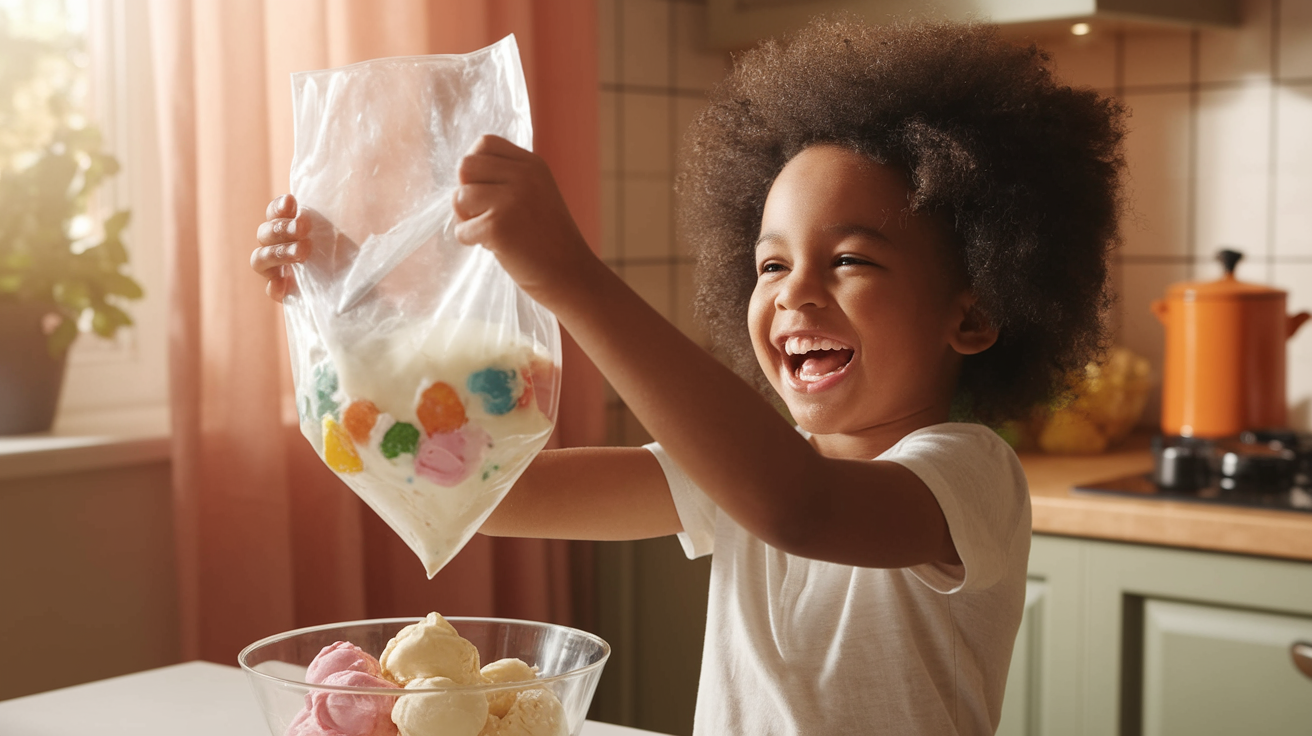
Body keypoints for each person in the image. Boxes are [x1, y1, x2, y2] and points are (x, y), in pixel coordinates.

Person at [252, 17, 1125, 735]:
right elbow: (480, 494)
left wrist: (572, 278)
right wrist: (343, 305)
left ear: (972, 313)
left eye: (850, 260)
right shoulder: (746, 468)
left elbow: (799, 506)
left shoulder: (970, 475)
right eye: (771, 265)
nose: (795, 296)